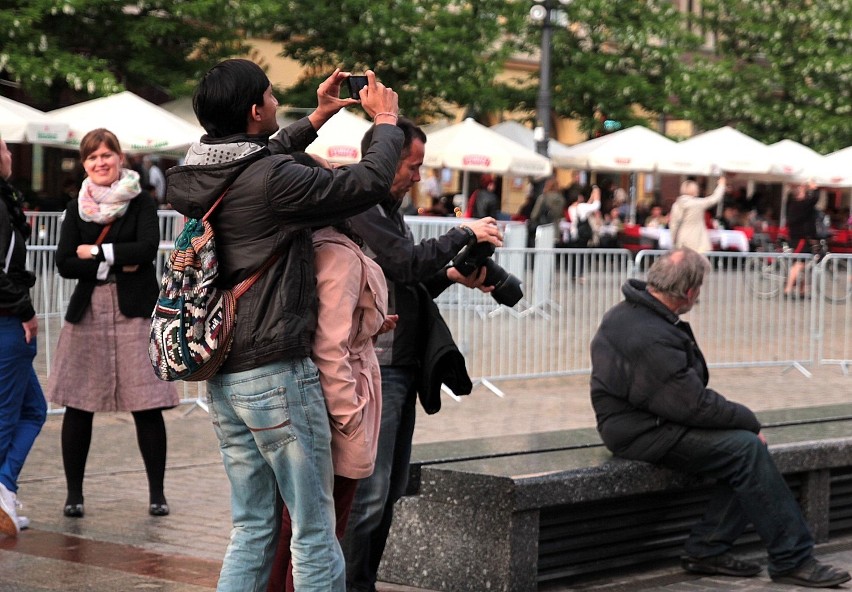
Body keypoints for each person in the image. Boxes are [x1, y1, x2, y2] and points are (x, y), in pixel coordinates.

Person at [164, 60, 403, 592]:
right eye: (272, 96)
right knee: (315, 532)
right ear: (255, 110)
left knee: (250, 527)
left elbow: (263, 155)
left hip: (224, 372)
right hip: (275, 374)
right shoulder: (271, 181)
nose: (277, 103)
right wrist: (384, 123)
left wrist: (316, 117)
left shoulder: (205, 169)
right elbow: (365, 183)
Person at [590, 248, 850, 589]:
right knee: (745, 449)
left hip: (650, 421)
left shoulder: (636, 314)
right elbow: (690, 405)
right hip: (641, 431)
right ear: (690, 291)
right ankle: (792, 558)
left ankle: (708, 549)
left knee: (742, 452)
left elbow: (682, 400)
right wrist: (747, 420)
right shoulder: (649, 332)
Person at [341, 117, 503, 592]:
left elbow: (402, 281)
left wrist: (451, 276)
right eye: (413, 166)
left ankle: (363, 582)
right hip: (377, 364)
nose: (418, 177)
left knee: (388, 492)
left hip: (400, 364)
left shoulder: (387, 207)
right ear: (388, 159)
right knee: (369, 494)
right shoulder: (360, 201)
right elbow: (403, 261)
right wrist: (464, 234)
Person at [266, 154, 396, 592]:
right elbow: (330, 346)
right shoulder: (338, 254)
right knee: (320, 533)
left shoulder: (301, 243)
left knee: (289, 528)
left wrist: (371, 320)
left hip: (297, 397)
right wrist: (350, 416)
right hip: (334, 400)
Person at [45, 128, 178, 520]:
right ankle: (74, 495)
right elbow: (65, 263)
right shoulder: (76, 207)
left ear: (119, 157)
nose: (100, 162)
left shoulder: (141, 202)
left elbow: (147, 249)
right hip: (88, 310)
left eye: (107, 154)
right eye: (92, 157)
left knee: (147, 403)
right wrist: (119, 258)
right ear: (85, 164)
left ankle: (157, 494)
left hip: (134, 308)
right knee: (78, 403)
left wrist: (98, 252)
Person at [0, 138, 47, 537]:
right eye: (4, 149)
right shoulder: (0, 207)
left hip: (8, 319)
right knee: (8, 414)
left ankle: (5, 491)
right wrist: (26, 311)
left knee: (33, 410)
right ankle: (2, 490)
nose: (10, 154)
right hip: (7, 322)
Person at [668, 177, 726, 253]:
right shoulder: (697, 203)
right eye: (696, 188)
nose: (698, 190)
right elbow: (714, 198)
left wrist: (674, 240)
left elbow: (673, 224)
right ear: (693, 191)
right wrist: (721, 185)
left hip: (681, 239)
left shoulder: (676, 205)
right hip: (696, 241)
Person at [784, 181, 820, 298]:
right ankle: (788, 289)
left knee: (805, 264)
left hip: (801, 237)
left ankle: (802, 290)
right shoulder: (801, 205)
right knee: (799, 264)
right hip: (800, 238)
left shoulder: (794, 204)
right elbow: (814, 199)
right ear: (799, 194)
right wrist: (814, 188)